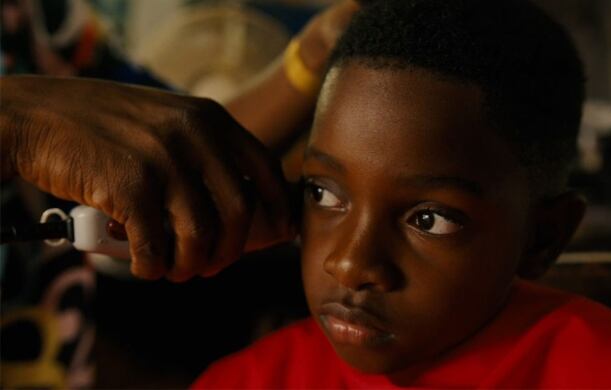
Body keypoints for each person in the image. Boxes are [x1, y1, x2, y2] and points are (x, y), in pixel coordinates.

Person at [192, 0, 611, 388]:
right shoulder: (253, 380)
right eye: (325, 194)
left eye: (430, 220)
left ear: (543, 238)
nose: (351, 264)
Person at [0, 1, 361, 283]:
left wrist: (314, 53)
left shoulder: (41, 14)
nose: (352, 265)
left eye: (421, 217)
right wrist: (14, 121)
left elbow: (168, 141)